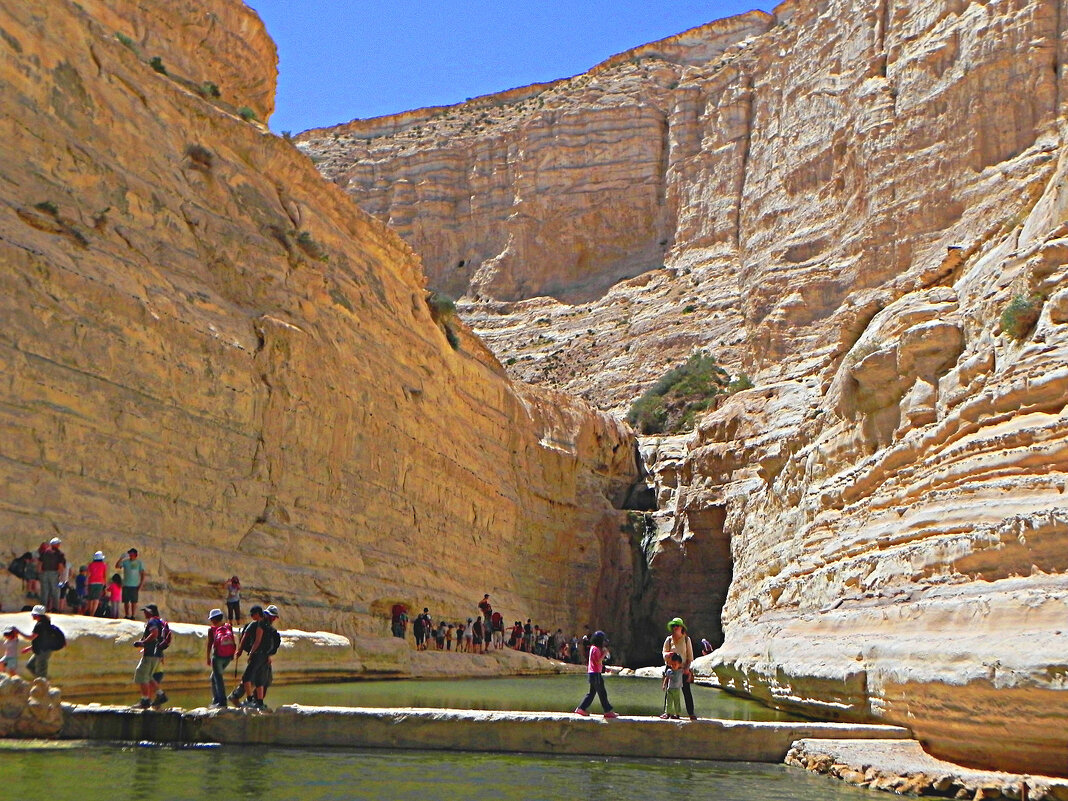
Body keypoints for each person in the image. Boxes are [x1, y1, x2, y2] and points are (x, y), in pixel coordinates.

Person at [574, 630, 618, 718]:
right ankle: (607, 711)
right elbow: (598, 661)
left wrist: (605, 669)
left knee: (592, 693)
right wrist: (604, 653)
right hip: (595, 674)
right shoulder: (595, 649)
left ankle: (581, 708)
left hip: (593, 673)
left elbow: (597, 663)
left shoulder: (593, 648)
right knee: (602, 692)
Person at [230, 605, 266, 708]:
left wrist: (242, 652)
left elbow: (249, 639)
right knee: (259, 679)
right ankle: (260, 703)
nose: (251, 616)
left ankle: (249, 700)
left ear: (257, 614)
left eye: (252, 614)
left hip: (256, 655)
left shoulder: (255, 625)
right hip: (264, 656)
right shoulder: (267, 625)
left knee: (246, 678)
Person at [133, 603, 168, 709]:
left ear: (150, 612)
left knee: (141, 674)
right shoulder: (160, 622)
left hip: (150, 654)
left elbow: (154, 634)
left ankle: (145, 700)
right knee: (147, 676)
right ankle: (160, 695)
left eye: (145, 611)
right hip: (157, 654)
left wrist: (142, 642)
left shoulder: (152, 621)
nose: (144, 613)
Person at [662, 617, 697, 721]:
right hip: (671, 669)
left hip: (683, 669)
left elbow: (690, 657)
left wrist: (687, 668)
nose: (675, 628)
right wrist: (668, 654)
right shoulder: (668, 640)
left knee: (686, 691)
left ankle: (691, 713)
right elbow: (664, 653)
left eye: (677, 625)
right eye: (673, 626)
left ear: (682, 627)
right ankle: (667, 713)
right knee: (669, 692)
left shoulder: (686, 640)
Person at [206, 608, 236, 708]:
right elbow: (233, 641)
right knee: (213, 677)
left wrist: (207, 657)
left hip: (217, 657)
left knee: (218, 679)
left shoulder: (212, 630)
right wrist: (232, 654)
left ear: (214, 619)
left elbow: (210, 644)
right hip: (227, 657)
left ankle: (222, 702)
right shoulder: (228, 627)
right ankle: (216, 700)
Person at [20, 605, 60, 679]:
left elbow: (31, 637)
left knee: (41, 672)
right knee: (30, 666)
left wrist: (18, 632)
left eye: (34, 614)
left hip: (42, 652)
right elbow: (41, 639)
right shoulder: (45, 623)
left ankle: (43, 684)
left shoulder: (40, 625)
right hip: (41, 650)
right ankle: (42, 681)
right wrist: (29, 648)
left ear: (38, 615)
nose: (32, 615)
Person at [38, 537, 66, 613]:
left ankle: (42, 609)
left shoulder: (44, 552)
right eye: (58, 543)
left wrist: (40, 573)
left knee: (44, 591)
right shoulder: (59, 554)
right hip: (54, 573)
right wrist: (60, 575)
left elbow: (40, 563)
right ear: (56, 545)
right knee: (55, 591)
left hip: (44, 573)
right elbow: (60, 565)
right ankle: (55, 608)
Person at [116, 548, 146, 619]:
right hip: (126, 584)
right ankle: (127, 615)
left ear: (135, 555)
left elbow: (142, 573)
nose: (130, 555)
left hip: (135, 585)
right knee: (126, 601)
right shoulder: (125, 562)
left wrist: (141, 584)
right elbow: (117, 566)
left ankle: (133, 615)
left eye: (131, 554)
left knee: (134, 601)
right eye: (129, 554)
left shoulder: (139, 563)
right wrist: (121, 558)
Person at [661, 652, 685, 719]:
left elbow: (688, 671)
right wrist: (664, 685)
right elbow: (667, 678)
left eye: (675, 664)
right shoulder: (669, 671)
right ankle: (667, 713)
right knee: (668, 702)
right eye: (672, 664)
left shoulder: (681, 671)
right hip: (670, 688)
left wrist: (689, 678)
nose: (673, 666)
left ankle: (677, 714)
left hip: (677, 689)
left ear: (679, 664)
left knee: (677, 702)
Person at [85, 552, 108, 617]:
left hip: (91, 582)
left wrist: (86, 582)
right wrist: (105, 585)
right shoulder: (103, 565)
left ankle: (89, 612)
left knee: (91, 598)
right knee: (96, 599)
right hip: (99, 582)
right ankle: (92, 613)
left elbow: (88, 574)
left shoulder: (91, 565)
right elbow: (104, 575)